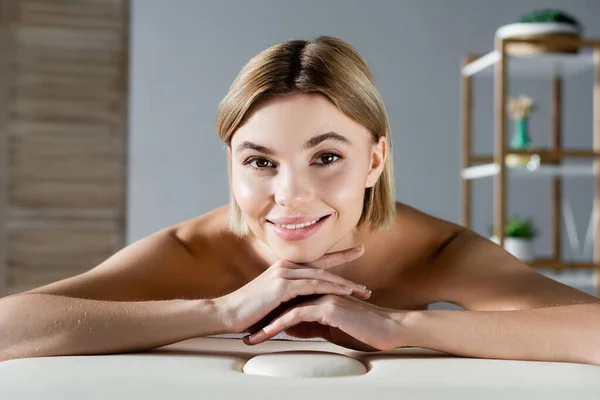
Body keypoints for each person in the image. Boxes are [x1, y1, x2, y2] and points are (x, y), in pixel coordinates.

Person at [1, 36, 599, 365]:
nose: (289, 197)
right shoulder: (192, 253)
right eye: (260, 161)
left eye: (326, 157)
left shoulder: (436, 252)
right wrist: (220, 312)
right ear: (232, 166)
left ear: (373, 161)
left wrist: (402, 325)